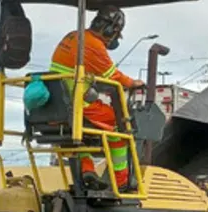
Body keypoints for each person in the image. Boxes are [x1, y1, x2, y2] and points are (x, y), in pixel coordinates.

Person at [49, 5, 145, 191]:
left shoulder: (73, 36)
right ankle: (121, 181)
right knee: (120, 125)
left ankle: (88, 170)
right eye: (116, 34)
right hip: (77, 104)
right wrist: (134, 83)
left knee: (79, 134)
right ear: (112, 30)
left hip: (56, 104)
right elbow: (114, 76)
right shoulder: (93, 44)